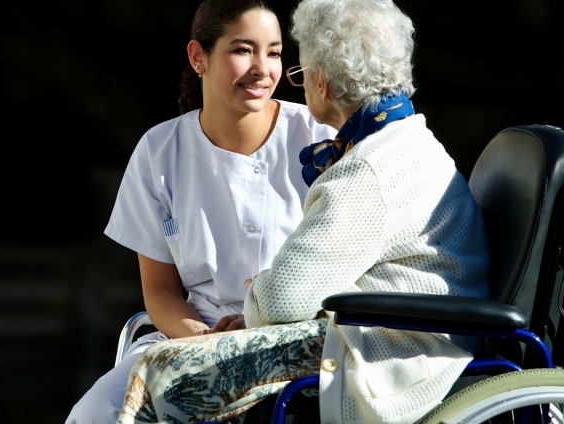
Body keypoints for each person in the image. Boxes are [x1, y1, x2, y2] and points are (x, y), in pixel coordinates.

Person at [115, 0, 490, 423]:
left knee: (170, 374)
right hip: (401, 330)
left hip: (388, 350)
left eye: (297, 68)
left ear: (324, 82)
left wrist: (250, 306)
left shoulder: (365, 169)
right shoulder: (403, 141)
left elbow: (282, 298)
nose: (285, 77)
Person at [65, 0, 336, 423]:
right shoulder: (159, 151)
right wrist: (205, 338)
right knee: (96, 413)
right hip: (195, 334)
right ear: (198, 57)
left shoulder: (321, 139)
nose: (262, 68)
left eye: (275, 52)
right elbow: (160, 290)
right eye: (243, 50)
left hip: (297, 332)